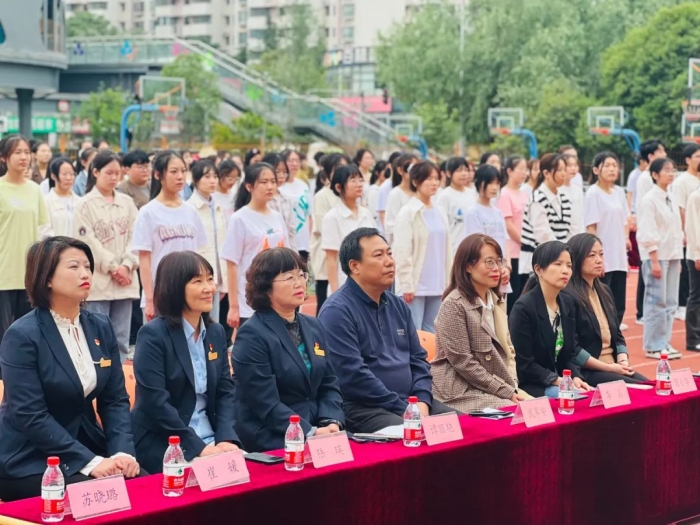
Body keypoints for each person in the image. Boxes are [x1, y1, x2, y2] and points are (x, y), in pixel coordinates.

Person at [0, 237, 139, 501]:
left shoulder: (100, 326)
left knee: (143, 487)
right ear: (47, 278)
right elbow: (30, 415)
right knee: (105, 497)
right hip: (31, 457)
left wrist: (122, 452)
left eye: (87, 266)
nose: (85, 274)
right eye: (74, 267)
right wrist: (89, 462)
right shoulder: (22, 335)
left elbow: (114, 400)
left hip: (87, 445)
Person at [318, 228, 454, 433]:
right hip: (364, 407)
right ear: (355, 266)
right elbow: (353, 375)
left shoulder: (397, 305)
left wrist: (422, 401)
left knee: (463, 428)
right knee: (416, 435)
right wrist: (404, 409)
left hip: (411, 403)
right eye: (378, 255)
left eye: (389, 253)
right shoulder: (337, 311)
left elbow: (418, 360)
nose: (389, 261)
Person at [132, 251, 239, 474]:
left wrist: (226, 438)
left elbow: (225, 391)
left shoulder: (216, 332)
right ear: (175, 287)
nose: (208, 288)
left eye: (210, 279)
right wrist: (198, 448)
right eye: (197, 281)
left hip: (211, 439)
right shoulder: (153, 335)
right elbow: (156, 403)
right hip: (166, 442)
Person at [233, 248, 344, 451]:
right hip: (273, 433)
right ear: (266, 287)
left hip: (318, 426)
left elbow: (329, 382)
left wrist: (331, 421)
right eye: (289, 278)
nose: (299, 283)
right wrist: (310, 432)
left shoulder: (313, 326)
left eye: (301, 275)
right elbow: (265, 403)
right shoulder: (252, 334)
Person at [432, 234, 529, 412]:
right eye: (489, 262)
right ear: (468, 266)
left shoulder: (496, 299)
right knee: (516, 413)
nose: (497, 268)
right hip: (460, 390)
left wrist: (512, 386)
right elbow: (463, 362)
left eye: (499, 261)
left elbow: (509, 350)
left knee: (540, 411)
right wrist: (506, 391)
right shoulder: (454, 305)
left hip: (497, 386)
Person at [75, 150, 139, 364]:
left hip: (125, 280)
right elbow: (87, 242)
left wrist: (127, 265)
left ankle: (118, 378)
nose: (114, 178)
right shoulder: (84, 205)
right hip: (99, 281)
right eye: (108, 173)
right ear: (95, 172)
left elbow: (136, 237)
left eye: (117, 173)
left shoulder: (127, 203)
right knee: (97, 337)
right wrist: (113, 267)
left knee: (121, 338)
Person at [131, 151, 208, 322]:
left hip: (190, 294)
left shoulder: (191, 211)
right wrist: (149, 299)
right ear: (158, 175)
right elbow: (144, 259)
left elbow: (199, 253)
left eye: (183, 171)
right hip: (161, 294)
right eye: (174, 171)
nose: (180, 176)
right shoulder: (148, 212)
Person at [509, 241, 592, 398]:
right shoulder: (523, 308)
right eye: (558, 264)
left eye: (569, 265)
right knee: (577, 399)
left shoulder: (568, 303)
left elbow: (569, 354)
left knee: (592, 396)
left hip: (560, 381)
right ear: (538, 269)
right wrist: (560, 381)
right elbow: (524, 365)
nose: (565, 270)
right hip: (533, 384)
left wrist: (575, 377)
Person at [564, 233, 648, 385]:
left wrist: (622, 359)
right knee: (638, 390)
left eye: (601, 254)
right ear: (576, 259)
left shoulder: (605, 291)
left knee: (651, 386)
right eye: (592, 255)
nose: (599, 260)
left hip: (613, 365)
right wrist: (607, 368)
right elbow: (572, 348)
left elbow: (617, 335)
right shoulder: (568, 297)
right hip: (588, 370)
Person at [0, 136, 50, 353]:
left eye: (27, 152)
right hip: (3, 274)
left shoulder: (34, 189)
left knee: (28, 335)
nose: (23, 157)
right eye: (17, 152)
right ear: (4, 157)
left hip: (29, 274)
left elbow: (44, 230)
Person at [223, 163, 288, 330]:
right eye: (264, 182)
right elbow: (231, 264)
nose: (270, 186)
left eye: (273, 181)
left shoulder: (277, 217)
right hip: (250, 303)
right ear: (249, 186)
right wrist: (234, 306)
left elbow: (286, 255)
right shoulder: (240, 218)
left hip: (279, 299)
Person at [394, 161, 452, 333]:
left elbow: (447, 250)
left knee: (433, 333)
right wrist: (407, 284)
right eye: (429, 179)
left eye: (436, 178)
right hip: (416, 285)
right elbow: (402, 251)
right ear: (416, 182)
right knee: (413, 333)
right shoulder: (408, 213)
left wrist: (449, 282)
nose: (434, 183)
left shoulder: (440, 211)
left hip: (438, 283)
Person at [637, 158, 684, 360]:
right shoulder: (649, 199)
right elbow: (648, 231)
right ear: (655, 175)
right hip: (656, 256)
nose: (671, 173)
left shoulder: (671, 196)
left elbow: (676, 229)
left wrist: (678, 257)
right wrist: (654, 259)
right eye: (666, 170)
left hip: (672, 255)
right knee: (656, 301)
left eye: (673, 170)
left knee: (671, 301)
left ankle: (665, 341)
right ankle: (653, 345)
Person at [584, 152, 630, 329]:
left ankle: (615, 338)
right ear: (596, 170)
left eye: (615, 165)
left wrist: (626, 241)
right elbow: (591, 228)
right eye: (608, 165)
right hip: (604, 257)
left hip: (619, 257)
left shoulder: (619, 192)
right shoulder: (593, 193)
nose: (612, 169)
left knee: (619, 303)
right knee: (602, 302)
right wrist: (597, 258)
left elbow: (625, 221)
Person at [187, 160, 228, 325]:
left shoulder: (218, 207)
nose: (213, 181)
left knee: (213, 323)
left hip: (215, 276)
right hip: (197, 274)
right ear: (196, 180)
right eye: (207, 176)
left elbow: (222, 244)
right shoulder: (189, 208)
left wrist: (222, 281)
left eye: (215, 176)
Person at [323, 165, 375, 293]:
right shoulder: (332, 217)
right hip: (345, 284)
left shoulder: (366, 213)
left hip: (370, 283)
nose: (359, 184)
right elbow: (330, 258)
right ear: (338, 187)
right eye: (353, 180)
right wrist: (335, 292)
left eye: (360, 180)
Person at [520, 153, 575, 275]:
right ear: (546, 173)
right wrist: (564, 253)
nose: (563, 173)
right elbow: (543, 235)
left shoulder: (564, 198)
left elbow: (570, 230)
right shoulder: (538, 198)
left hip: (559, 260)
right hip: (537, 263)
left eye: (564, 169)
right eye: (559, 170)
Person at [464, 164, 511, 293]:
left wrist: (507, 267)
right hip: (485, 273)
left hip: (502, 273)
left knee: (501, 306)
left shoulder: (498, 212)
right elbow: (477, 247)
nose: (494, 187)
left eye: (497, 183)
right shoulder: (473, 212)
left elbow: (505, 241)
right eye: (490, 183)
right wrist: (495, 267)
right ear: (479, 183)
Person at [310, 153, 344, 314]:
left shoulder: (349, 194)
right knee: (325, 302)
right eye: (338, 168)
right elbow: (322, 227)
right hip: (326, 255)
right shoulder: (322, 196)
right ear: (329, 172)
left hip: (346, 257)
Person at [672, 144, 700, 322]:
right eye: (697, 156)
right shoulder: (682, 182)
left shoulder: (697, 181)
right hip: (689, 234)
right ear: (688, 159)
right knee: (688, 276)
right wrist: (684, 232)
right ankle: (681, 305)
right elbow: (681, 209)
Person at [497, 156, 529, 313]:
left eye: (525, 169)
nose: (524, 172)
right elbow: (508, 225)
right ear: (509, 171)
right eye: (520, 169)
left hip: (526, 252)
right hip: (514, 251)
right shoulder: (504, 194)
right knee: (514, 294)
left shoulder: (524, 194)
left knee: (525, 292)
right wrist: (524, 241)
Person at [436, 156, 477, 254]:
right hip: (454, 250)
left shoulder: (473, 194)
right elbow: (441, 227)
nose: (464, 174)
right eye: (459, 170)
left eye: (466, 170)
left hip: (473, 248)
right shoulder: (444, 196)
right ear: (448, 173)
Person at [279, 149, 311, 261]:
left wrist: (309, 242)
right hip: (286, 244)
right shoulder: (279, 187)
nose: (294, 164)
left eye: (297, 160)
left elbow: (309, 215)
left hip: (304, 243)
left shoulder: (303, 185)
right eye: (291, 160)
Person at [263, 153, 297, 251]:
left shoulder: (286, 199)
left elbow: (291, 232)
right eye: (277, 172)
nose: (282, 176)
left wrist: (294, 255)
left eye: (284, 172)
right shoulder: (262, 200)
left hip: (285, 251)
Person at [384, 153, 417, 245]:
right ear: (400, 170)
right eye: (410, 168)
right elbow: (390, 225)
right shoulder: (395, 194)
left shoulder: (420, 193)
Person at [43, 156, 78, 237]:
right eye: (64, 174)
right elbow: (44, 231)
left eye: (72, 174)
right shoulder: (46, 202)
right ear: (53, 176)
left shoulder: (80, 202)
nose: (69, 178)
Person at [685, 183, 700, 351]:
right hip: (696, 255)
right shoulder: (695, 197)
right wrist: (697, 254)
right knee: (696, 296)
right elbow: (693, 228)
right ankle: (693, 339)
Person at [559, 154, 584, 234]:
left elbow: (582, 215)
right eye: (569, 165)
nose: (573, 168)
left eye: (575, 165)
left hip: (578, 235)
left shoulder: (578, 190)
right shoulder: (557, 190)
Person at [367, 160, 388, 233]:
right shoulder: (374, 191)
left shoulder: (386, 189)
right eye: (385, 172)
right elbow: (374, 214)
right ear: (377, 173)